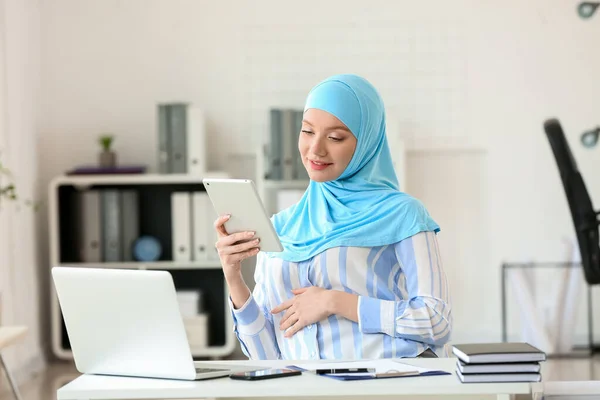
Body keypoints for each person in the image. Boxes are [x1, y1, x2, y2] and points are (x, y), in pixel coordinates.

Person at [214, 74, 451, 360]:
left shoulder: (404, 214)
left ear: (366, 142)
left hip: (387, 385)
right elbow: (264, 356)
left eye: (335, 137)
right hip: (306, 389)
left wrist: (336, 301)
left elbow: (436, 320)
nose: (316, 149)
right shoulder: (281, 226)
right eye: (307, 131)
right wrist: (234, 277)